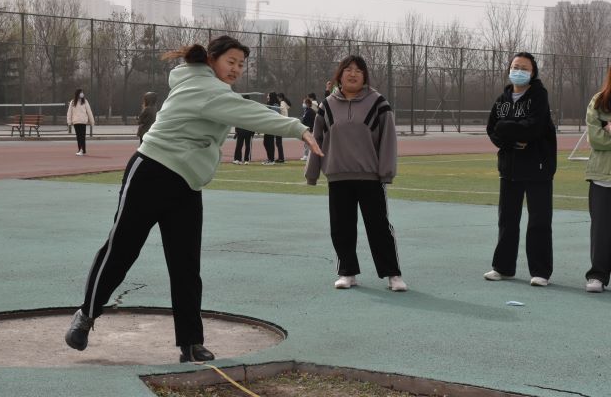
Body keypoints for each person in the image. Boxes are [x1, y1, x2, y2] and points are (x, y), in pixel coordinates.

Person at [64, 35, 322, 363]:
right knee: (122, 249)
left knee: (186, 264)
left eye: (241, 65)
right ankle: (86, 316)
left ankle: (190, 344)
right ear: (211, 60)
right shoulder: (204, 88)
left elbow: (238, 109)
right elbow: (249, 113)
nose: (236, 69)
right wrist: (299, 128)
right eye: (230, 62)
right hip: (151, 172)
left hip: (186, 184)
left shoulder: (211, 89)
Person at [305, 55, 406, 292]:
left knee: (379, 227)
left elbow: (388, 141)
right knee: (341, 227)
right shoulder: (327, 105)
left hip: (370, 177)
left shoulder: (379, 103)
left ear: (365, 76)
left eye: (358, 71)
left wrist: (386, 172)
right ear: (339, 75)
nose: (353, 74)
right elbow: (316, 139)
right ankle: (347, 272)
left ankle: (393, 274)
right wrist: (312, 174)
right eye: (348, 70)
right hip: (338, 176)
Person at [484, 52, 556, 287]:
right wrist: (511, 136)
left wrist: (508, 130)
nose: (519, 70)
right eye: (515, 66)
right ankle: (503, 268)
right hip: (509, 168)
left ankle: (540, 271)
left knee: (539, 221)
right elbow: (493, 129)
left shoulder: (539, 97)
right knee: (507, 219)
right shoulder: (502, 100)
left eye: (524, 67)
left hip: (538, 168)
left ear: (533, 72)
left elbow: (533, 128)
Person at [584, 67, 611, 293]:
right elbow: (596, 139)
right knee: (601, 230)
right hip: (603, 177)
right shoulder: (599, 101)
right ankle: (597, 276)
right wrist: (603, 131)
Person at [67, 88, 95, 156]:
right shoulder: (73, 102)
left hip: (83, 121)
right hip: (76, 122)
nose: (82, 94)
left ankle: (82, 150)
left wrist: (92, 121)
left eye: (82, 92)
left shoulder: (85, 101)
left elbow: (89, 112)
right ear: (78, 94)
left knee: (82, 136)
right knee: (78, 136)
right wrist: (69, 122)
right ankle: (81, 149)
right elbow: (69, 112)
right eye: (81, 92)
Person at [233, 95, 256, 164]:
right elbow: (237, 119)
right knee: (241, 145)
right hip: (243, 130)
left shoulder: (251, 108)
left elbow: (253, 120)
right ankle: (241, 159)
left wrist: (252, 131)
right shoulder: (241, 108)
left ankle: (243, 159)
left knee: (243, 145)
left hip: (246, 130)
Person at [262, 92, 281, 165]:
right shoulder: (269, 104)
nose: (267, 96)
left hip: (272, 126)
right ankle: (270, 158)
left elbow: (275, 115)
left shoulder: (275, 105)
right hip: (267, 125)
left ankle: (271, 159)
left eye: (268, 95)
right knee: (266, 142)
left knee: (269, 142)